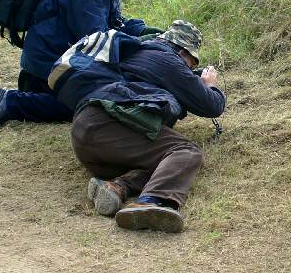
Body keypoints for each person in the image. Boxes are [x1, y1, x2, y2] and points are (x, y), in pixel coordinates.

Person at [48, 20, 225, 232]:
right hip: (109, 124)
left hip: (86, 135)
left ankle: (116, 187)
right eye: (191, 63)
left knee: (166, 164)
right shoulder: (168, 60)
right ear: (183, 52)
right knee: (186, 152)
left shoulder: (134, 50)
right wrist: (211, 84)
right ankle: (152, 202)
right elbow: (212, 106)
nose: (190, 68)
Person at [0, 0, 163, 128]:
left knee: (112, 94)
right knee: (93, 107)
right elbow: (96, 41)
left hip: (61, 60)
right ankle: (12, 102)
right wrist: (138, 43)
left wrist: (147, 32)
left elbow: (115, 22)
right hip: (46, 68)